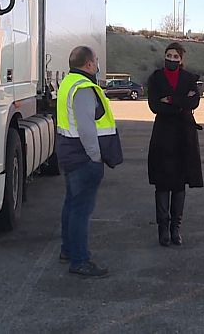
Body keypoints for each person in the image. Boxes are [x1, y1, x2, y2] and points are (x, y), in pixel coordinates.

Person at [56, 46, 123, 278]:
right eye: (95, 60)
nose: (97, 64)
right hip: (83, 157)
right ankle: (80, 260)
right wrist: (95, 156)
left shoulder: (68, 82)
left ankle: (68, 250)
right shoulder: (84, 88)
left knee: (72, 204)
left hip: (69, 153)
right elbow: (86, 128)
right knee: (81, 210)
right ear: (88, 64)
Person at [146, 42, 203, 247]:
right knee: (162, 183)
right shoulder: (155, 78)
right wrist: (180, 103)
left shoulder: (190, 78)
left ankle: (175, 229)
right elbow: (154, 105)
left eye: (175, 56)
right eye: (168, 55)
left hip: (183, 136)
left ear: (181, 59)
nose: (171, 59)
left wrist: (170, 100)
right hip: (162, 135)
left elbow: (194, 102)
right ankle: (163, 229)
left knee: (179, 184)